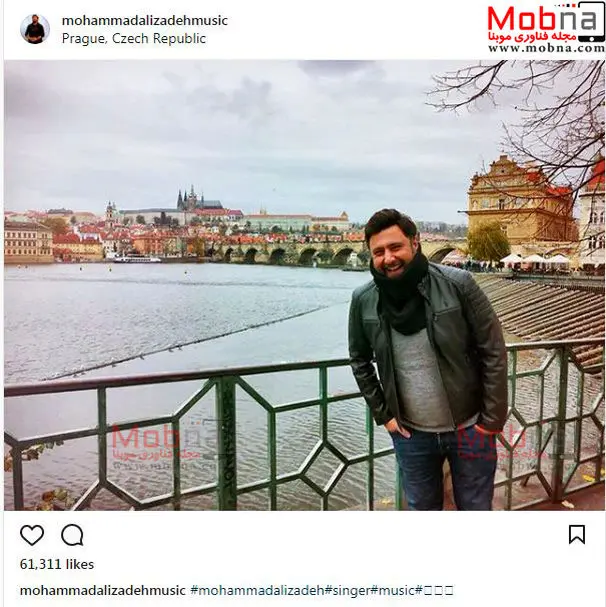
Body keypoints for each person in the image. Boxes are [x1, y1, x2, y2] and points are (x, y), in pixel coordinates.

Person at [348, 209, 508, 510]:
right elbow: (359, 360)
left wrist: (491, 420)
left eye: (395, 247)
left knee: (476, 508)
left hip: (470, 427)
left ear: (415, 243)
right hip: (411, 434)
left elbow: (493, 349)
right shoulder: (363, 299)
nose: (388, 258)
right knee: (422, 509)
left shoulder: (459, 284)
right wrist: (385, 416)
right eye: (379, 252)